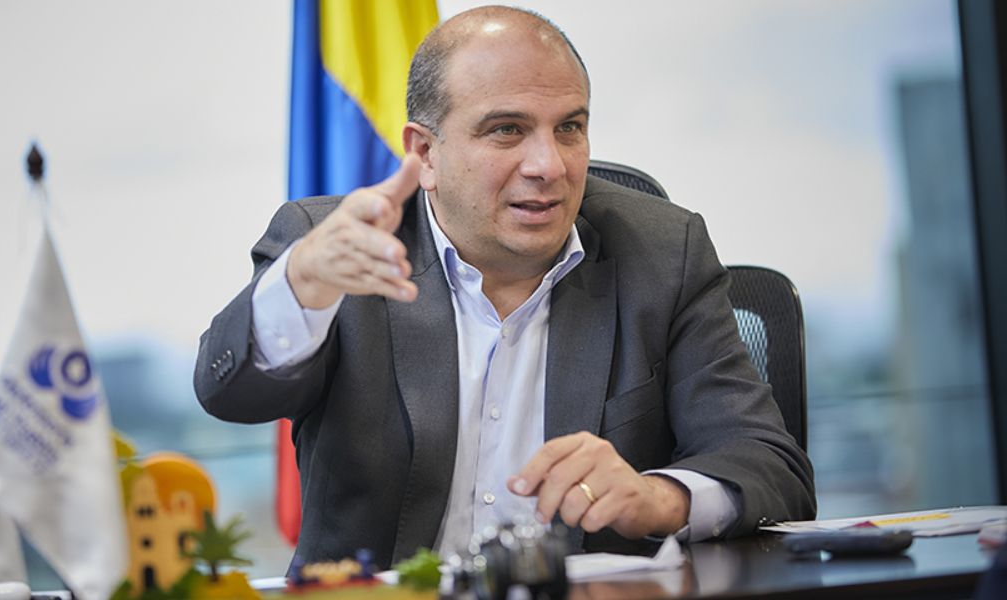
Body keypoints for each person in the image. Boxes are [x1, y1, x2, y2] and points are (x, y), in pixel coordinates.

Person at [195, 5, 815, 569]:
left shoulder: (661, 252)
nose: (549, 165)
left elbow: (769, 465)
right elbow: (229, 393)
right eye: (507, 130)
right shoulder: (342, 248)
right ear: (425, 153)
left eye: (569, 127)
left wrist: (659, 498)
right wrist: (301, 286)